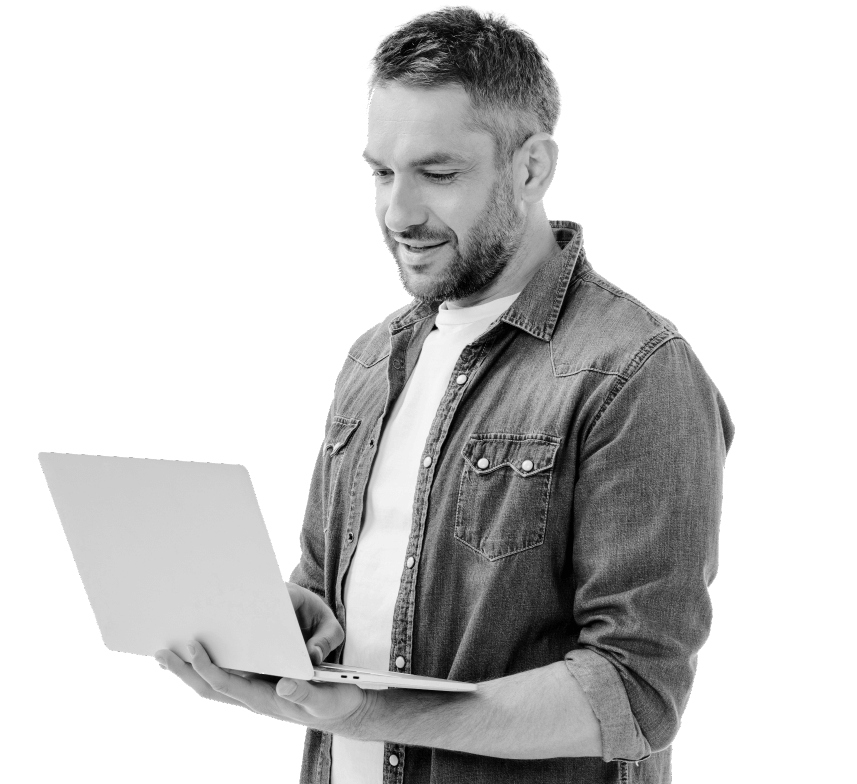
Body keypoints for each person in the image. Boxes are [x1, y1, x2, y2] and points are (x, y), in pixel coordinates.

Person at [156, 6, 734, 783]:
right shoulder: (372, 358)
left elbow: (635, 692)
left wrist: (366, 711)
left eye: (438, 173)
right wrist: (290, 633)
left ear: (531, 167)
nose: (398, 213)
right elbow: (321, 582)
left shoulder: (635, 370)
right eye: (381, 173)